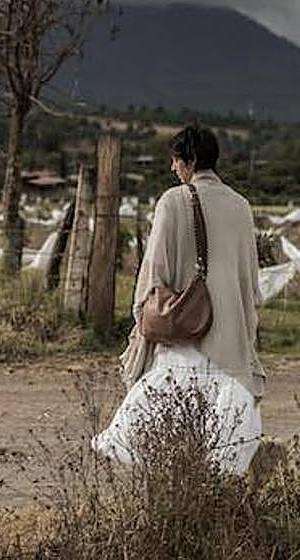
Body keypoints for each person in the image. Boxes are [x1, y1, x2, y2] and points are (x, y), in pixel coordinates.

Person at [93, 125, 265, 474]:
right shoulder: (241, 206)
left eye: (175, 160)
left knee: (162, 449)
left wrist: (146, 311)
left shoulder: (174, 200)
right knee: (217, 458)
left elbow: (155, 272)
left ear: (188, 160)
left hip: (185, 340)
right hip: (230, 343)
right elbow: (250, 282)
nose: (173, 168)